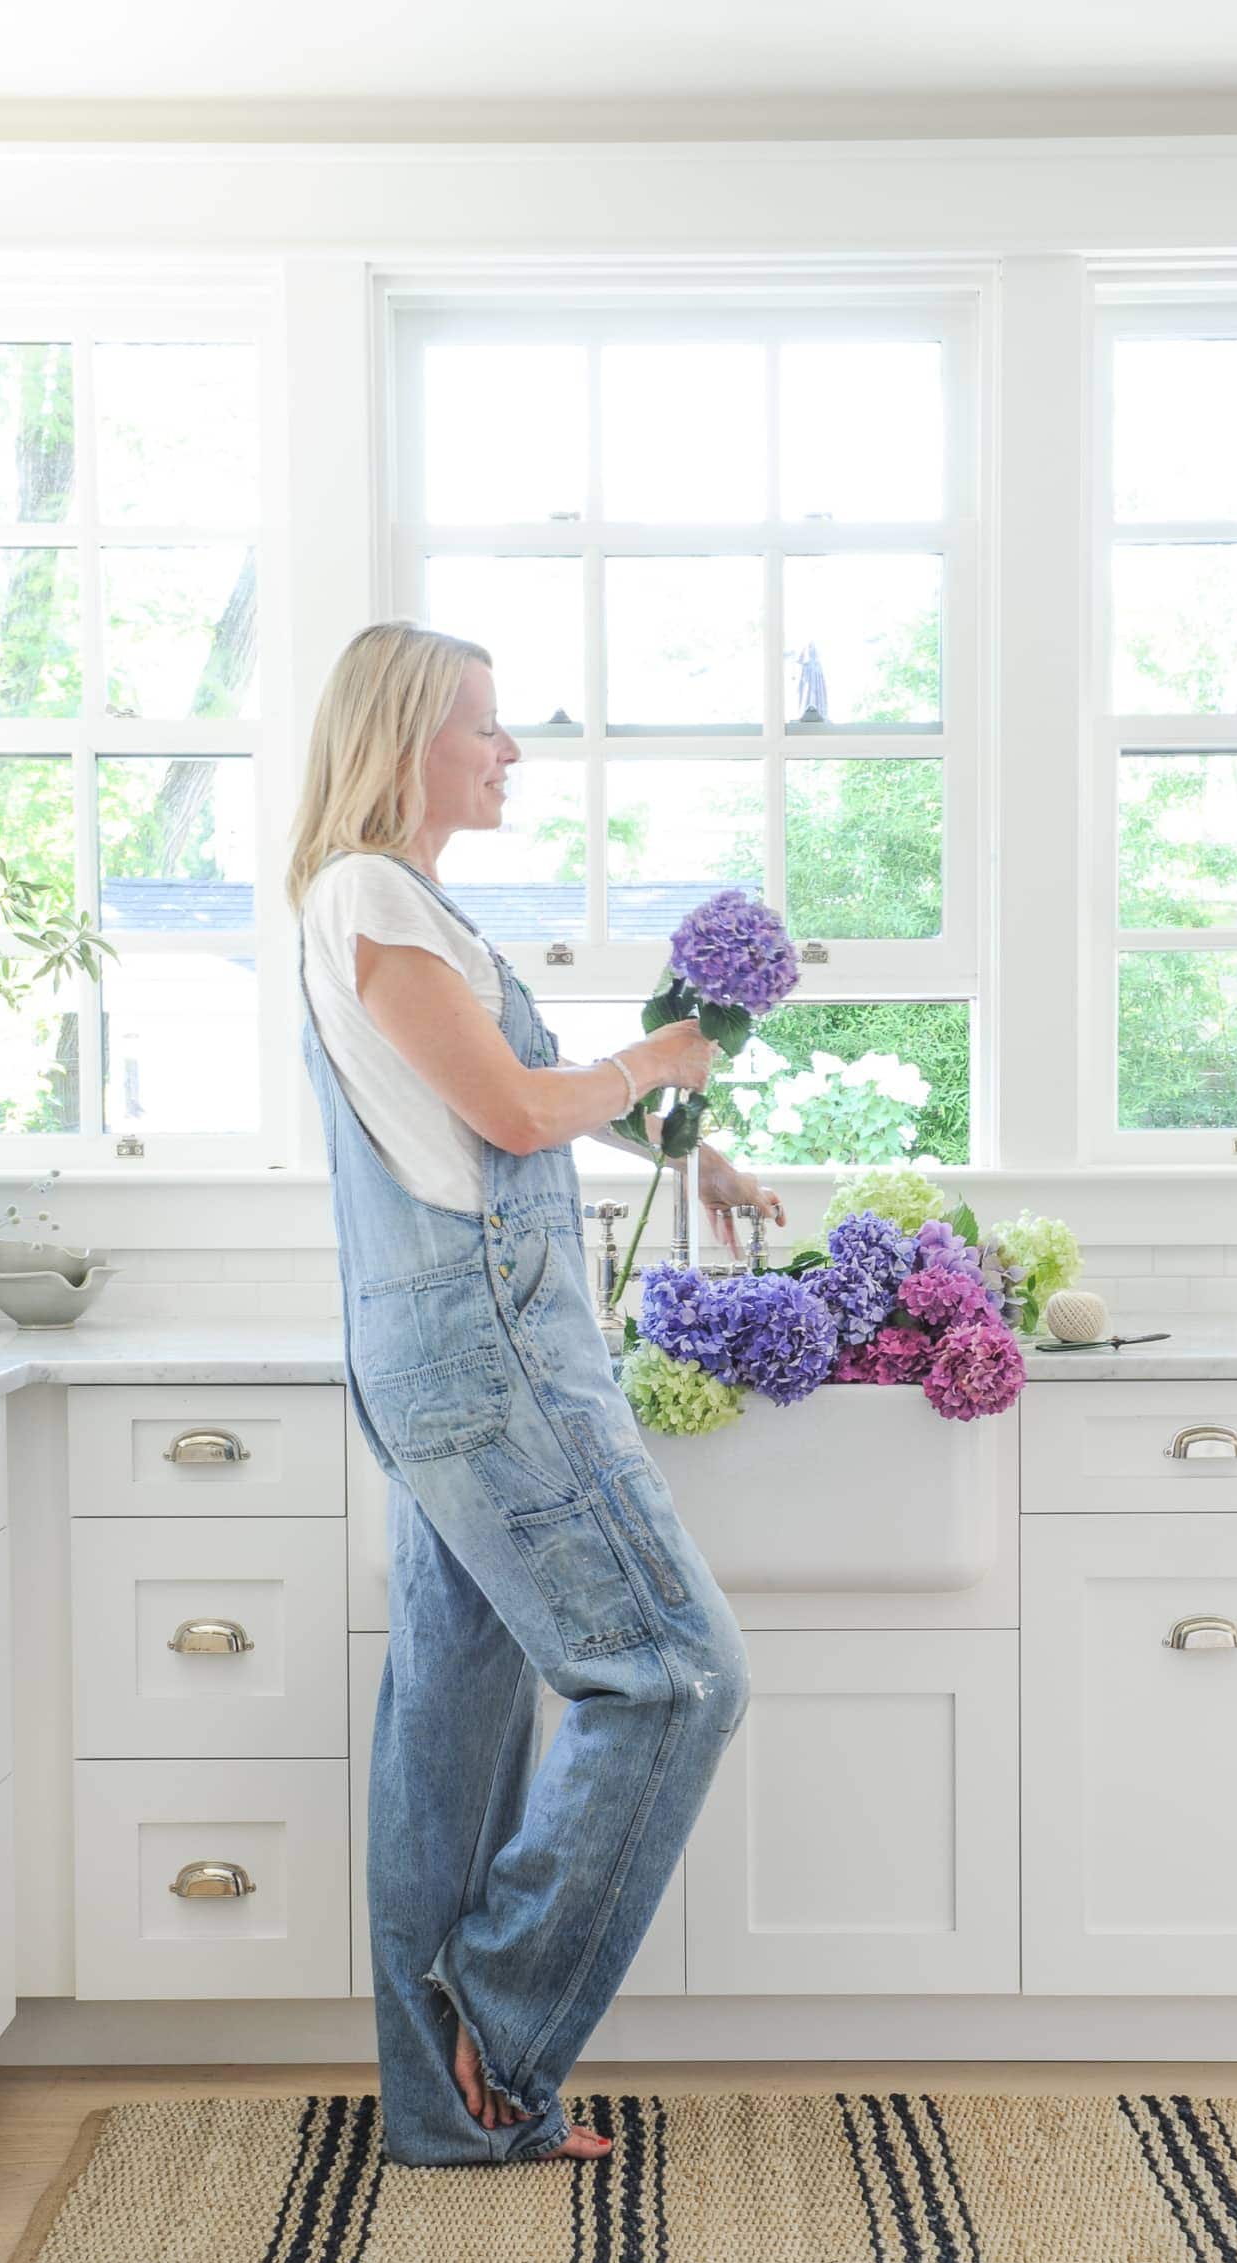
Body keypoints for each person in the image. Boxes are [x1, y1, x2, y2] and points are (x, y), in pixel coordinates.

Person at [289, 621, 785, 2165]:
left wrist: (680, 1146)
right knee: (677, 1677)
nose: (509, 754)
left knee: (450, 1714)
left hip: (438, 1343)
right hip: (492, 1352)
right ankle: (493, 2025)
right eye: (484, 728)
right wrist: (655, 1063)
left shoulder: (396, 907)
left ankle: (445, 2111)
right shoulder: (373, 894)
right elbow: (507, 1110)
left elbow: (474, 1118)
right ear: (400, 742)